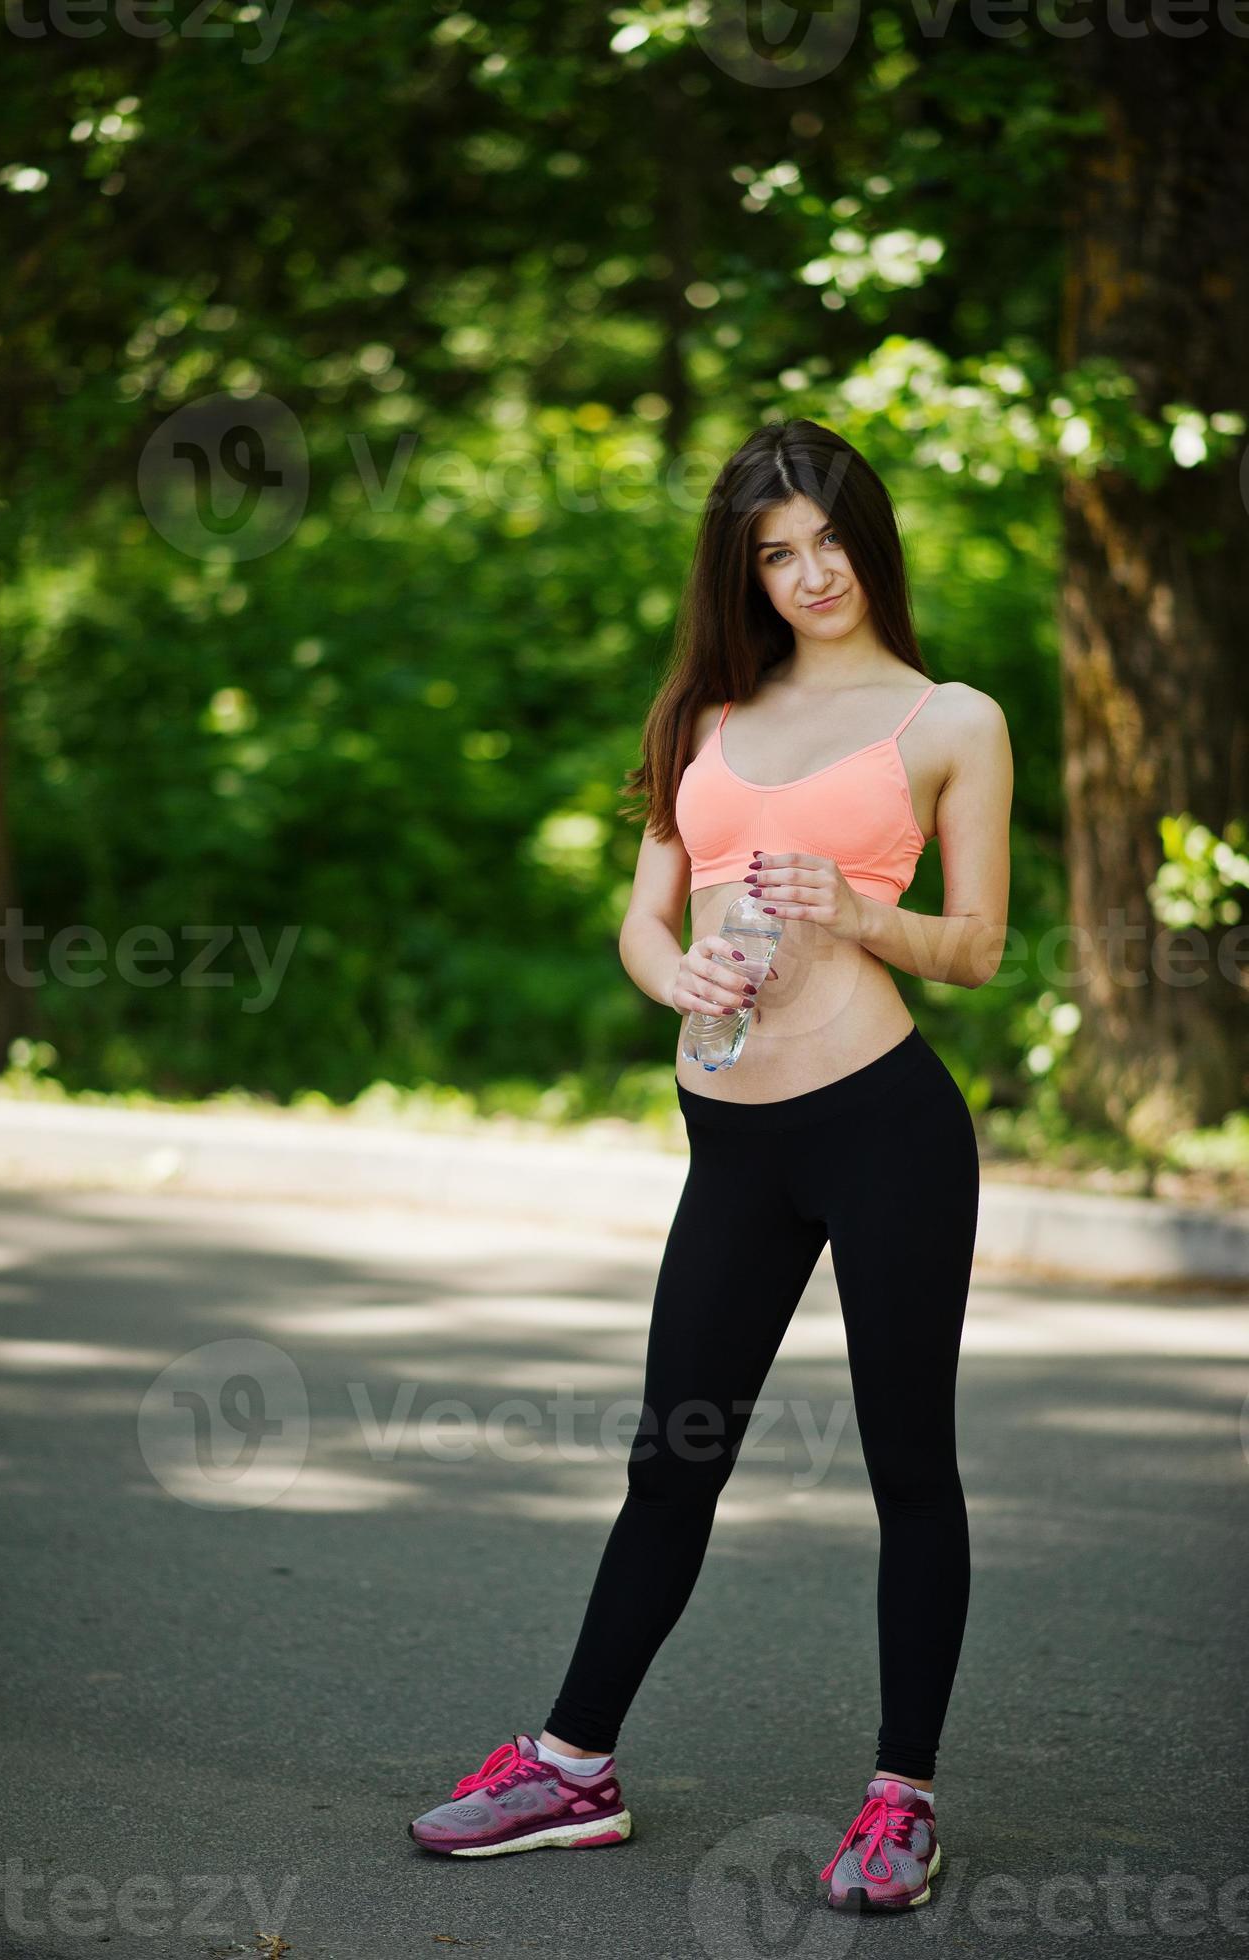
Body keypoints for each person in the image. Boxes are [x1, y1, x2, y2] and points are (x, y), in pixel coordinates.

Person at [409, 418, 1013, 1912]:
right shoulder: (705, 710)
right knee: (672, 1456)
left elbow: (982, 949)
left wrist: (860, 911)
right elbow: (644, 911)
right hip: (728, 1132)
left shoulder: (948, 719)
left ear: (870, 541)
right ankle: (574, 1768)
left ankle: (901, 1801)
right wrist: (665, 972)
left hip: (881, 1122)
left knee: (906, 1464)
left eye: (830, 542)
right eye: (776, 553)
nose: (812, 575)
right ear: (742, 569)